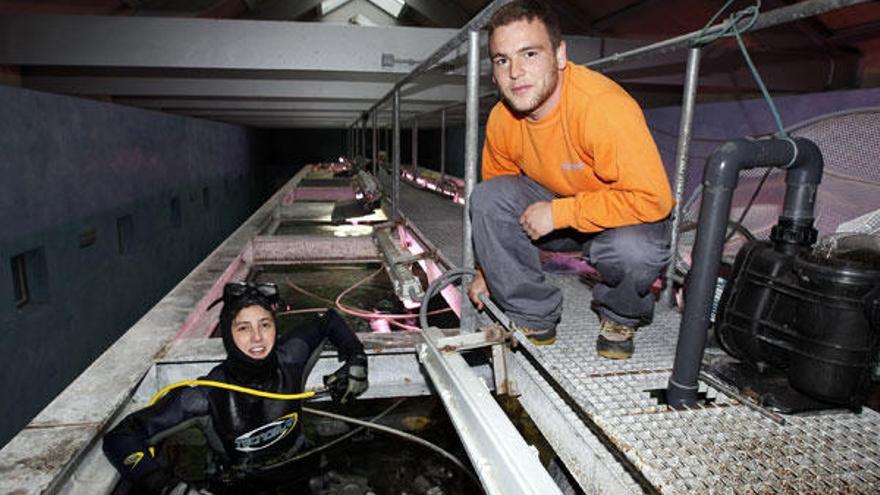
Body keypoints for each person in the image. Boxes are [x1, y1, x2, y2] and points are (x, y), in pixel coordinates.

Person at [468, 0, 674, 360]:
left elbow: (653, 199)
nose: (515, 72)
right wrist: (488, 269)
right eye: (502, 59)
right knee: (487, 197)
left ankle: (620, 315)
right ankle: (531, 315)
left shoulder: (602, 108)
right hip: (558, 215)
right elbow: (496, 204)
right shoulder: (503, 119)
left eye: (529, 54)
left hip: (621, 220)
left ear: (560, 55)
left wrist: (560, 213)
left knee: (634, 251)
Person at [103, 282, 368, 494]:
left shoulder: (291, 359)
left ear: (275, 327)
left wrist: (356, 360)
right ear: (228, 334)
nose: (257, 338)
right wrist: (167, 486)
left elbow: (328, 320)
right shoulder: (206, 396)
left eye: (265, 324)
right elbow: (121, 438)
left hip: (302, 471)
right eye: (243, 328)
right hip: (240, 482)